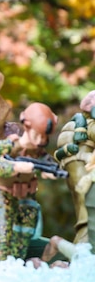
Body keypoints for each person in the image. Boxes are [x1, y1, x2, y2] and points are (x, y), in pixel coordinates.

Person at [0, 102, 61, 260]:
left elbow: (47, 163)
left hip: (26, 196)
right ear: (27, 127)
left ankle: (17, 262)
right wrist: (15, 167)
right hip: (4, 193)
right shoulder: (11, 145)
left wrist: (49, 172)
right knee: (3, 229)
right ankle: (1, 264)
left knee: (24, 232)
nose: (41, 140)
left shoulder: (38, 152)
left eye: (44, 137)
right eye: (38, 135)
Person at [54, 90, 95, 246]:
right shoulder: (87, 122)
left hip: (78, 163)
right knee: (86, 208)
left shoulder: (81, 121)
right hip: (79, 163)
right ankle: (84, 248)